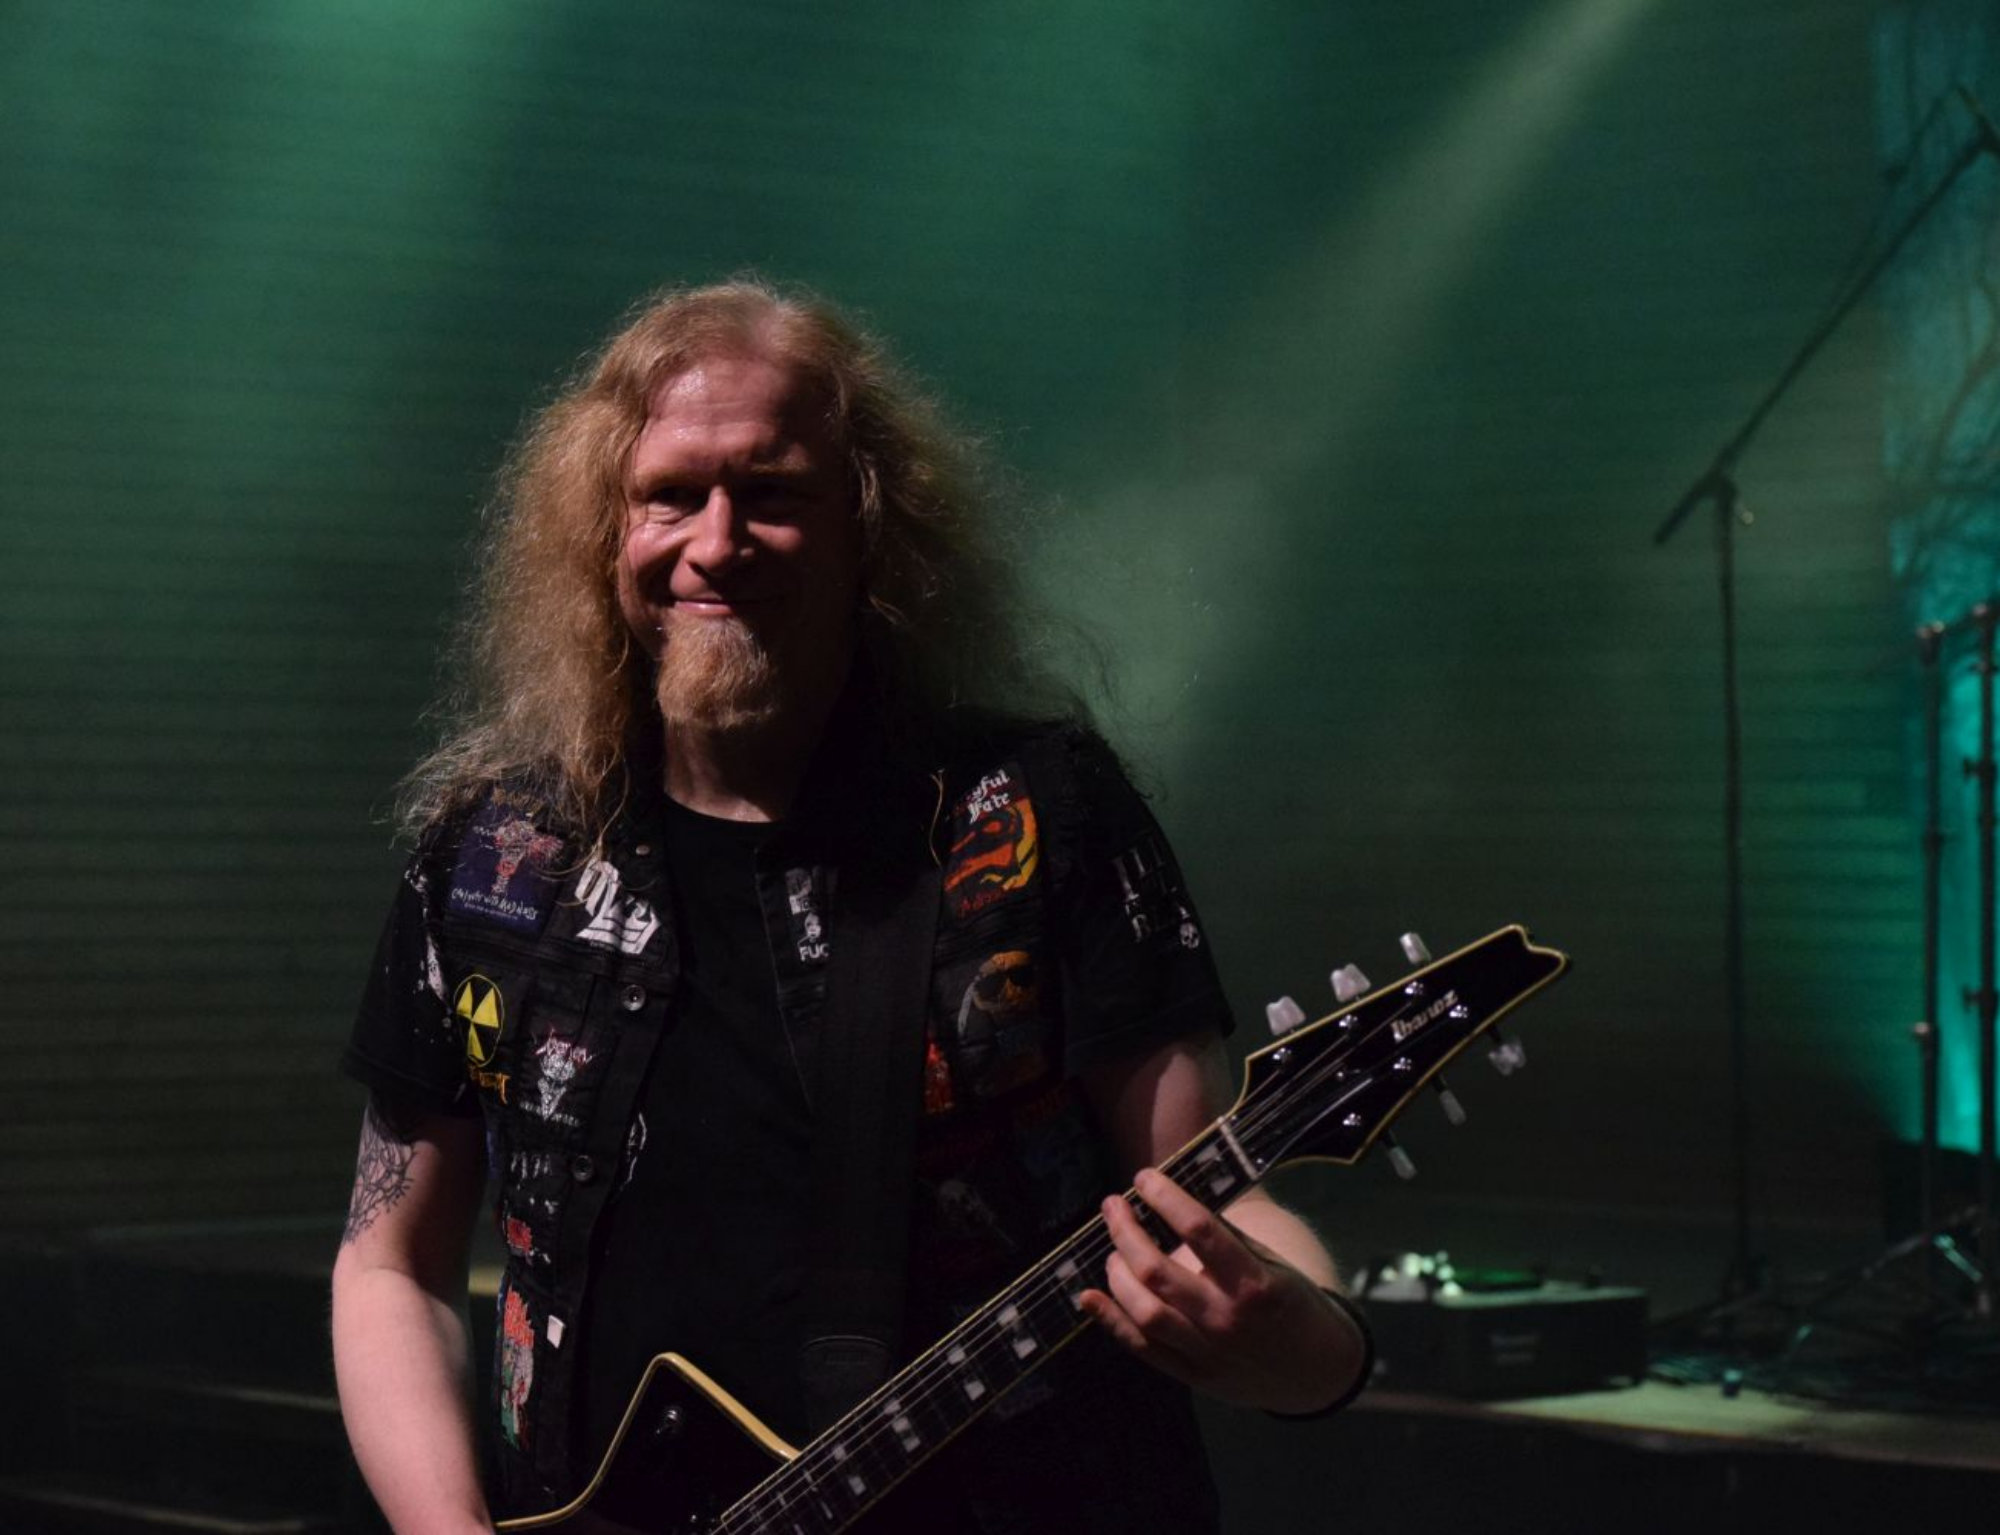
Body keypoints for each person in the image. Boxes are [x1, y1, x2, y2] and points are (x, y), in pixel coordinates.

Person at [330, 280, 1370, 1535]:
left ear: (870, 526)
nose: (717, 542)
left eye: (771, 493)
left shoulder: (1027, 810)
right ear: (603, 532)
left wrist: (1307, 1345)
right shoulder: (497, 851)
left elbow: (1212, 1189)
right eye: (670, 495)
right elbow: (389, 1261)